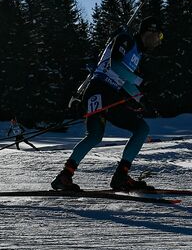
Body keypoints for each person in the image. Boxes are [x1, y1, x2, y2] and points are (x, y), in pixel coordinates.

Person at [52, 16, 164, 192]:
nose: (158, 41)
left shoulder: (137, 53)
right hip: (99, 90)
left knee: (105, 134)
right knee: (102, 134)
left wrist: (141, 99)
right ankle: (116, 177)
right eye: (159, 36)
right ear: (148, 31)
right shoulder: (126, 39)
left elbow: (124, 81)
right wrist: (140, 82)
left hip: (108, 93)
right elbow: (114, 67)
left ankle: (66, 176)